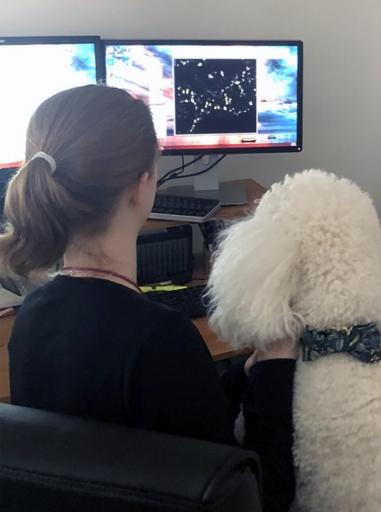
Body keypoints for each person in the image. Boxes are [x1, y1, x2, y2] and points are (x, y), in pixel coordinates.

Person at [1, 85, 296, 512]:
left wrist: (246, 372)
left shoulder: (31, 318)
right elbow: (263, 496)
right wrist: (277, 370)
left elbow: (165, 430)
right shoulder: (162, 339)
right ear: (143, 185)